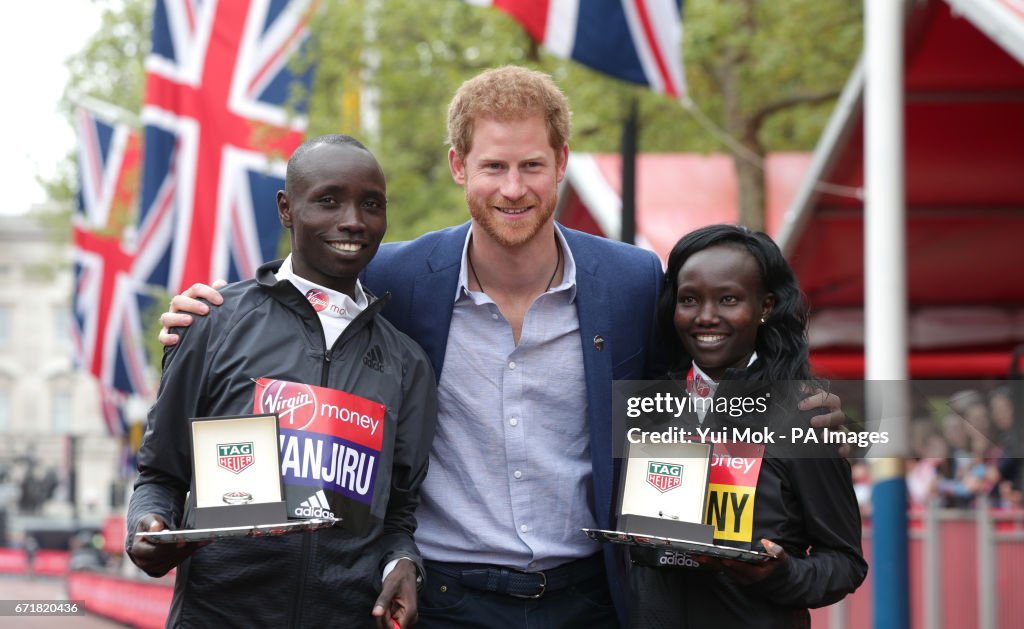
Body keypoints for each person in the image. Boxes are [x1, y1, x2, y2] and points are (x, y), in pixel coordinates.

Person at [157, 66, 848, 627]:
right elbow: (303, 281)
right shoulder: (395, 273)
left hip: (593, 595)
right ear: (459, 167)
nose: (513, 189)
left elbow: (702, 376)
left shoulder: (634, 280)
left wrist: (798, 410)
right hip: (445, 597)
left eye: (531, 165)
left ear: (561, 164)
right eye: (493, 166)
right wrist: (205, 309)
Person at [126, 134, 438, 628]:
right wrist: (148, 530)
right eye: (329, 200)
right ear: (286, 209)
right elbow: (161, 475)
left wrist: (404, 564)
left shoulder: (407, 364)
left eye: (371, 204)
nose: (353, 220)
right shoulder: (212, 323)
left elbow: (398, 515)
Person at [628, 224, 867, 628]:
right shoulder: (649, 406)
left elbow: (845, 562)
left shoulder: (806, 416)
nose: (706, 317)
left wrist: (781, 575)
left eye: (728, 299)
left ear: (765, 306)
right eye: (689, 299)